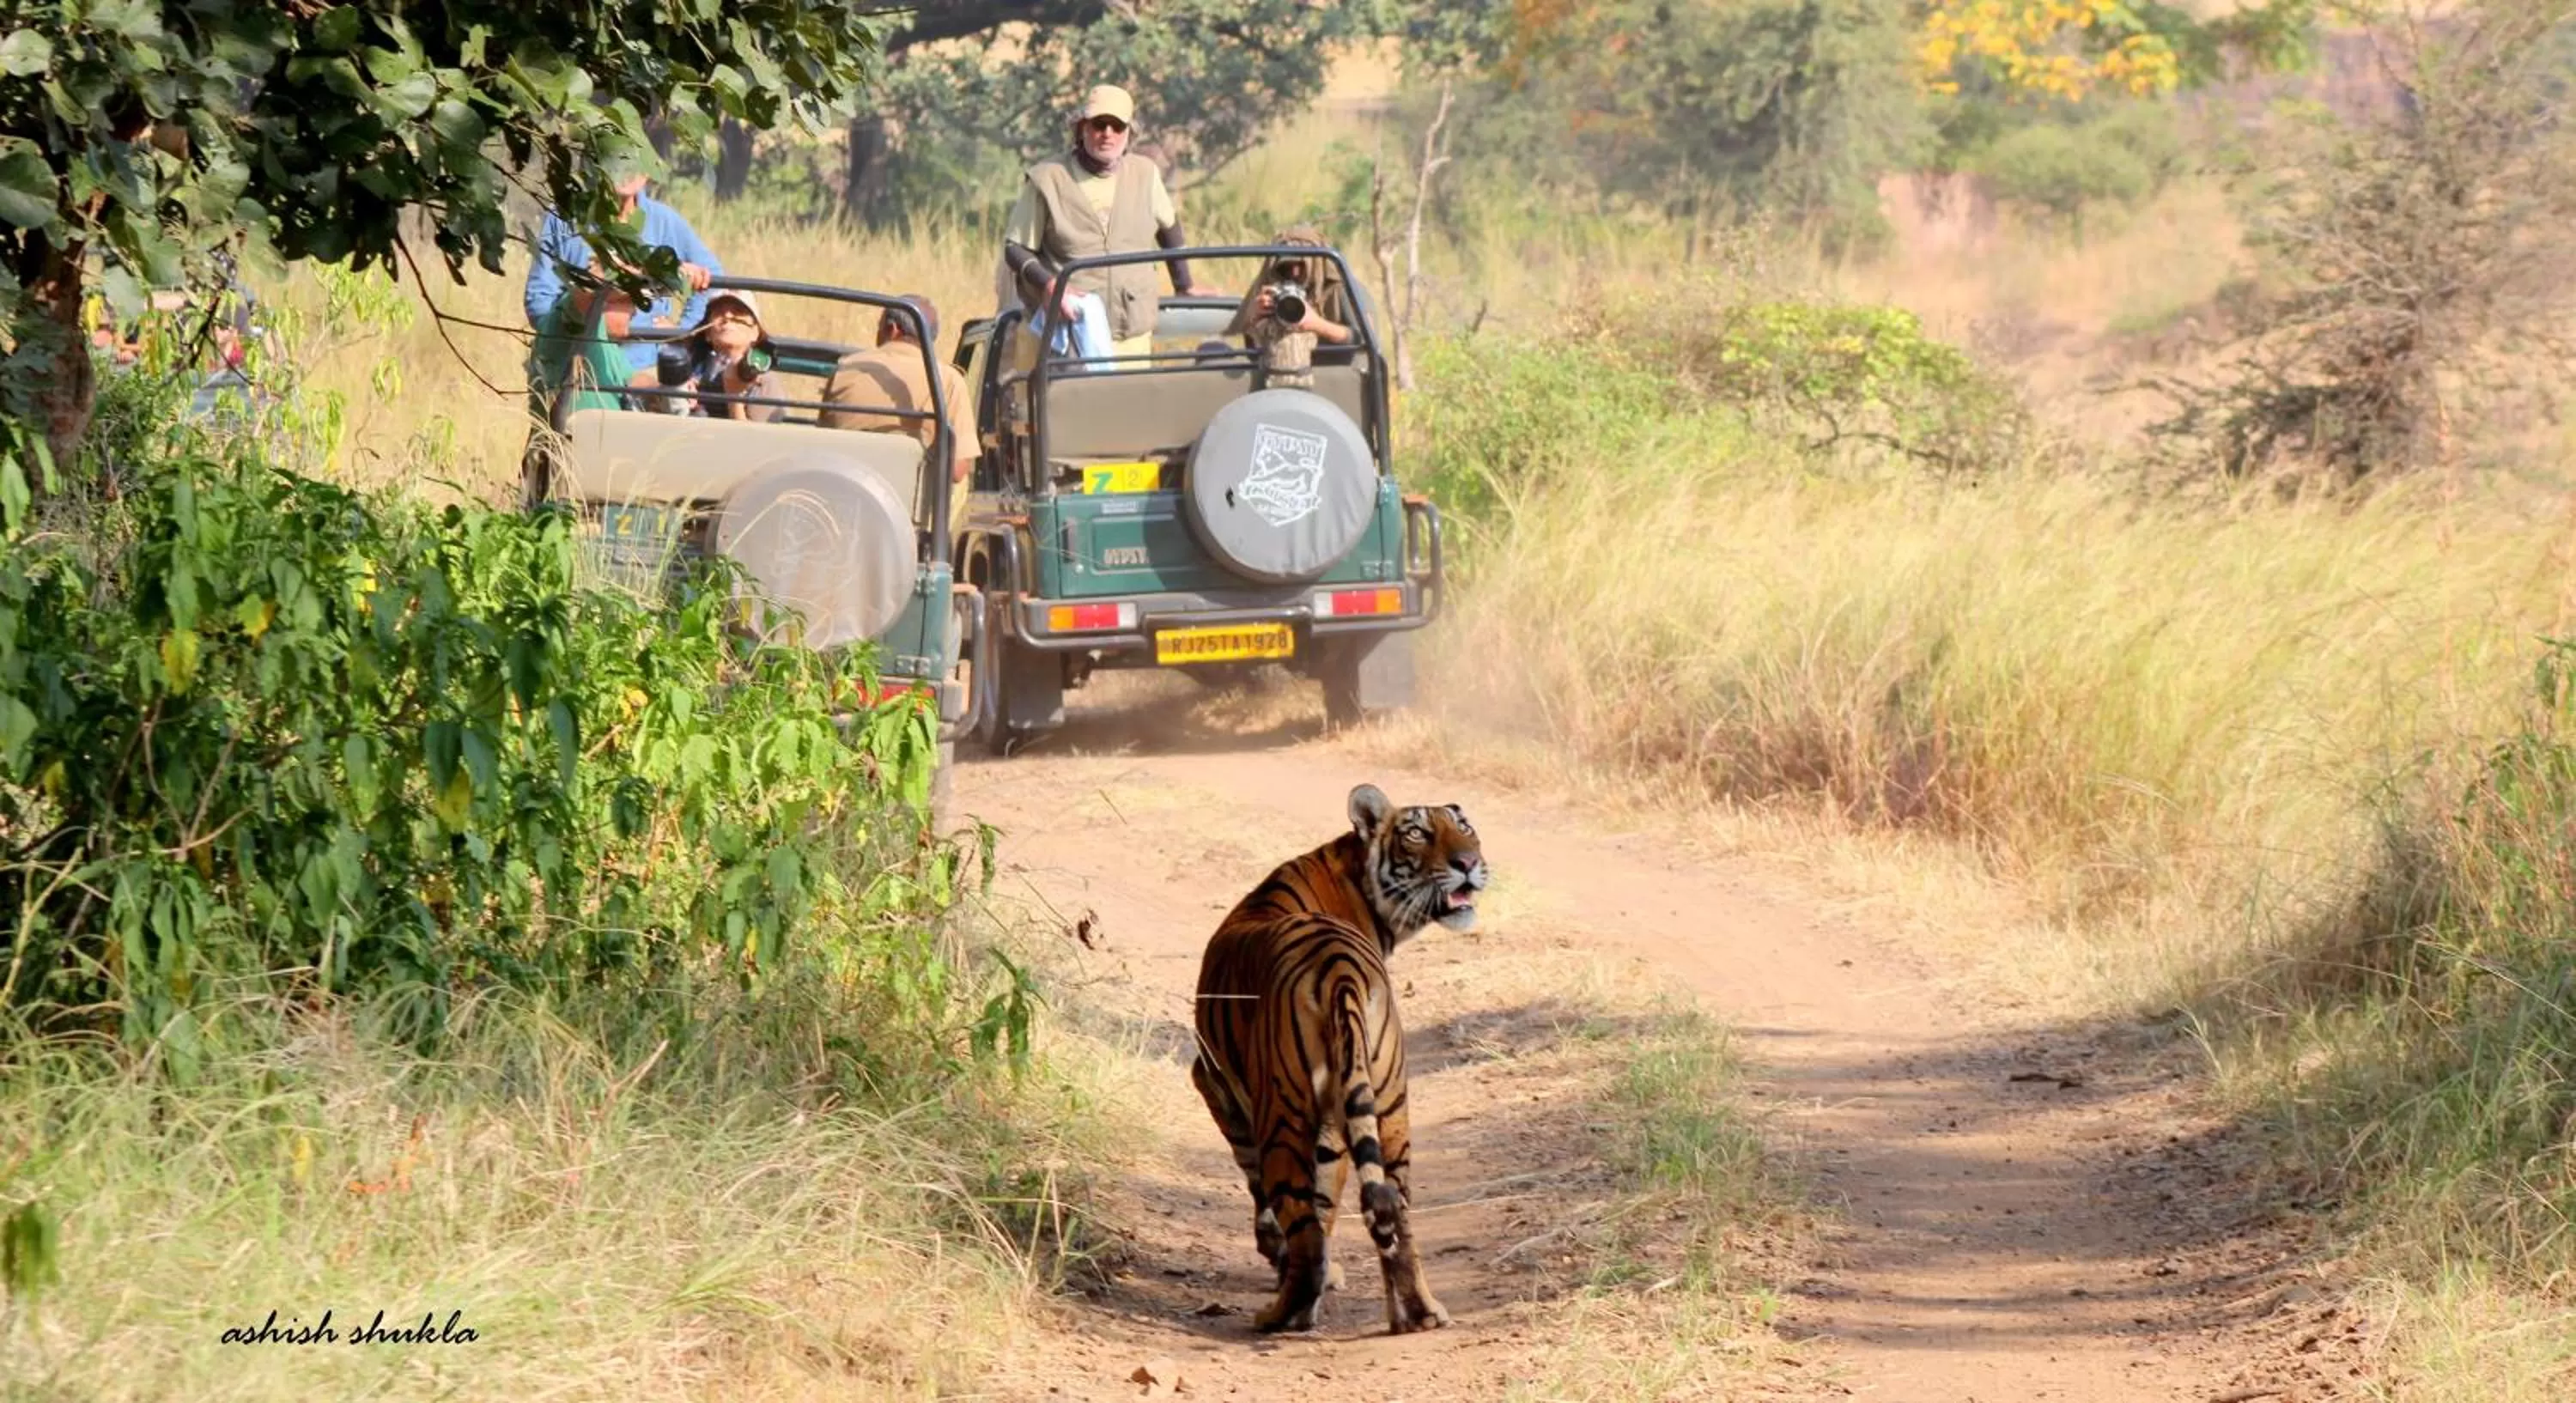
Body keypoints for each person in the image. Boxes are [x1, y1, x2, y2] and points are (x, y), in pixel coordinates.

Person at [999, 84, 1221, 363]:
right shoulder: (1048, 179)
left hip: (1131, 335)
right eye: (1099, 125)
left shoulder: (1145, 174)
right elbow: (1015, 248)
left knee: (1128, 405)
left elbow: (1169, 226)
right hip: (1066, 335)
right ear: (1082, 128)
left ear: (1129, 133)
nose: (1108, 134)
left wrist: (1184, 284)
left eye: (1117, 126)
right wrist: (1049, 284)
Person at [523, 144, 721, 382]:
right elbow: (539, 299)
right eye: (615, 163)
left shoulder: (664, 220)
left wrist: (681, 332)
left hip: (645, 365)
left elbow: (713, 278)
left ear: (647, 172)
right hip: (576, 363)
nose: (625, 172)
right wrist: (571, 332)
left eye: (635, 164)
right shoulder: (564, 218)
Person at [820, 295, 978, 487]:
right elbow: (957, 471)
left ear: (892, 329)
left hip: (844, 493)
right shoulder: (950, 380)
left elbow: (824, 442)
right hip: (911, 510)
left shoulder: (847, 368)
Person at [526, 267, 649, 417]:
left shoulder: (607, 344)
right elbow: (585, 295)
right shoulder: (568, 321)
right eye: (630, 301)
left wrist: (669, 388)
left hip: (607, 436)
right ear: (605, 302)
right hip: (570, 438)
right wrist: (618, 273)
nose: (635, 312)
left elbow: (631, 380)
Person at [652, 288, 787, 422]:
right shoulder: (696, 367)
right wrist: (681, 387)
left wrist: (734, 396)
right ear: (708, 334)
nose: (727, 316)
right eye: (718, 313)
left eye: (738, 312)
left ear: (756, 332)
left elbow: (755, 441)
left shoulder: (764, 380)